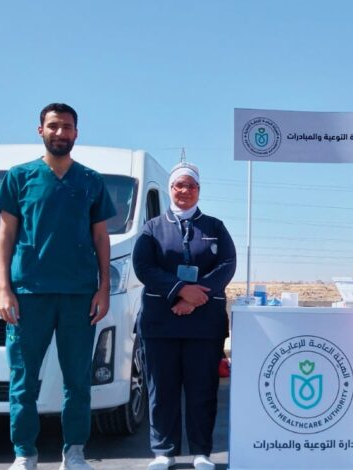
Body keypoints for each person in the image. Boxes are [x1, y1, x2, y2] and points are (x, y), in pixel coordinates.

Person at [0, 103, 116, 470]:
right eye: (53, 126)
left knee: (77, 379)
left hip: (79, 294)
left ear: (76, 133)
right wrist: (3, 287)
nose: (60, 132)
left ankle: (74, 452)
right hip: (28, 294)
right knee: (23, 379)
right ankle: (24, 453)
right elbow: (6, 235)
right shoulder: (19, 177)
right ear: (41, 130)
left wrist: (103, 288)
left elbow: (101, 237)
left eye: (67, 127)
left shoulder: (91, 181)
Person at [132, 161, 236, 470]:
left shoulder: (215, 228)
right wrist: (179, 290)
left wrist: (195, 297)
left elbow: (227, 265)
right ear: (170, 189)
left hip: (203, 325)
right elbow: (144, 266)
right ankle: (163, 452)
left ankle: (202, 452)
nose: (185, 191)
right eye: (179, 185)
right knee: (162, 389)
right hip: (160, 324)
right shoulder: (152, 228)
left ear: (199, 191)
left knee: (202, 390)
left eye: (191, 186)